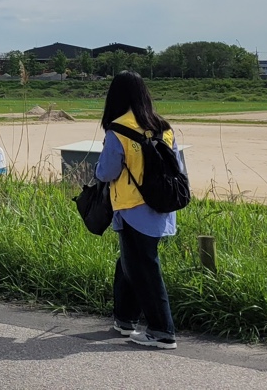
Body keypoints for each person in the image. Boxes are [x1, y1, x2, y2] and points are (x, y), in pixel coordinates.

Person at [95, 71, 181, 349]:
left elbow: (106, 172)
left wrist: (97, 167)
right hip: (162, 205)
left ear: (115, 97)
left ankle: (162, 331)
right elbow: (178, 166)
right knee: (130, 263)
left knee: (144, 268)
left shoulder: (118, 130)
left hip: (133, 207)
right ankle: (124, 319)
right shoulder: (164, 128)